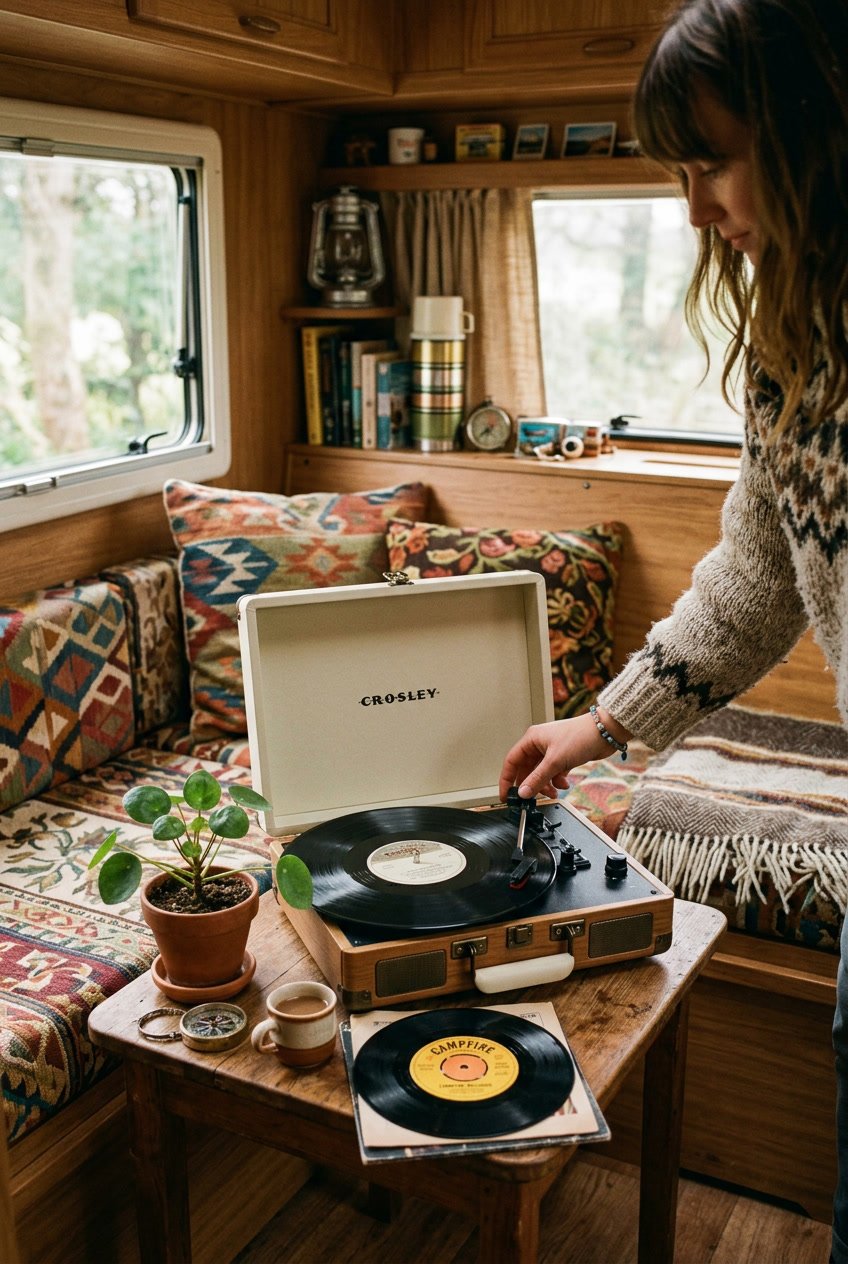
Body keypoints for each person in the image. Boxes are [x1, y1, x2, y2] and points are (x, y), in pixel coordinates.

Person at [498, 0, 848, 1257]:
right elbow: (756, 576)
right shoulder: (788, 341)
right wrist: (597, 724)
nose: (693, 209)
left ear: (813, 135)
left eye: (708, 161)